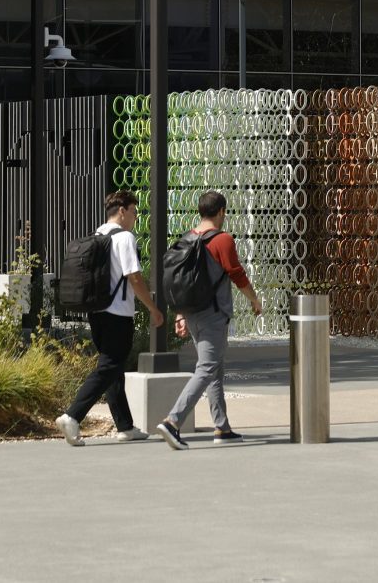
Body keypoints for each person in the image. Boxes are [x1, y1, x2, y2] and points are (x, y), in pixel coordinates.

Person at [55, 189, 164, 446]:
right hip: (118, 313)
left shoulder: (99, 234)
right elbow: (134, 278)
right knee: (109, 367)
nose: (136, 217)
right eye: (135, 212)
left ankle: (125, 426)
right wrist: (153, 308)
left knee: (114, 369)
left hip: (97, 312)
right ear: (123, 211)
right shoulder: (124, 238)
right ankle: (72, 415)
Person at [156, 190, 263, 450]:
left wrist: (180, 313)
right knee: (207, 368)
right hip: (212, 314)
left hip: (192, 312)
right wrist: (254, 299)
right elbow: (236, 273)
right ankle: (173, 421)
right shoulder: (221, 239)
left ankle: (221, 426)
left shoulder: (189, 238)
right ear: (221, 212)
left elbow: (183, 282)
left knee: (214, 368)